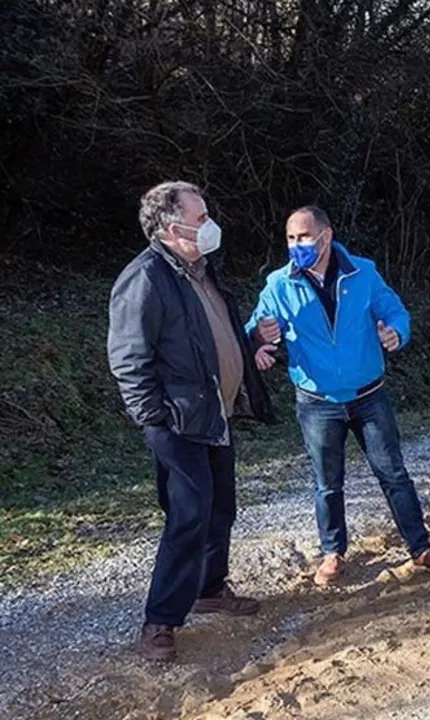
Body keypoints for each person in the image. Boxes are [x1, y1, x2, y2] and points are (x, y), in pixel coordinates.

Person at [108, 181, 274, 661]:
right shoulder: (145, 279)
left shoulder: (202, 272)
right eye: (201, 218)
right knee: (188, 514)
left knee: (221, 506)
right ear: (170, 226)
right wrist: (153, 417)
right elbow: (128, 358)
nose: (209, 226)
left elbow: (215, 336)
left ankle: (209, 589)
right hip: (177, 423)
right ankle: (159, 620)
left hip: (214, 414)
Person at [247, 206, 430, 586]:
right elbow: (254, 329)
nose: (297, 245)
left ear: (326, 235)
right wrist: (260, 338)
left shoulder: (363, 272)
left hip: (369, 395)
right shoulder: (278, 284)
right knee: (327, 482)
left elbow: (397, 313)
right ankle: (332, 554)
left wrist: (395, 332)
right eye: (290, 238)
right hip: (317, 401)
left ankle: (420, 546)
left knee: (393, 472)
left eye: (304, 237)